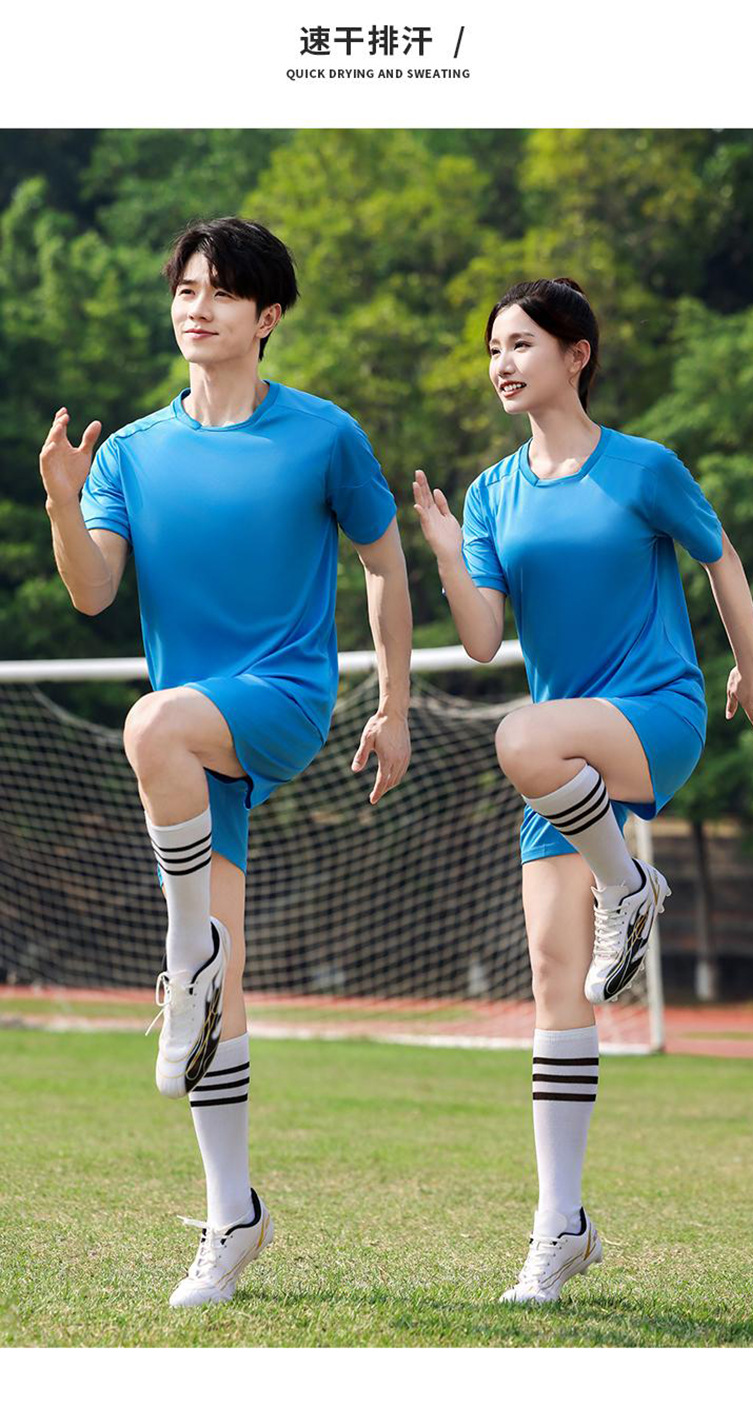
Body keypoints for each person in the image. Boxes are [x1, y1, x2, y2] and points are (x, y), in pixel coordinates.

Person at [40, 215, 412, 1307]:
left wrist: (393, 704)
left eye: (220, 291)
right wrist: (63, 501)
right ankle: (232, 1214)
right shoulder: (134, 452)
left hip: (283, 696)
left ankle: (183, 960)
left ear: (267, 315)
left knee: (148, 724)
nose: (195, 307)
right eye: (185, 289)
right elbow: (91, 591)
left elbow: (384, 565)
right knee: (228, 972)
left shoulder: (323, 435)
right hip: (195, 749)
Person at [413, 276, 753, 1305]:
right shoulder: (491, 493)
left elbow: (720, 558)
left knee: (518, 734)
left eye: (522, 344)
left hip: (651, 714)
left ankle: (628, 887)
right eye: (493, 348)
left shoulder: (642, 467)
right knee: (554, 976)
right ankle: (560, 1225)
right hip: (564, 768)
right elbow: (482, 639)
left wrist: (751, 666)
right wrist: (444, 554)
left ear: (576, 354)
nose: (502, 363)